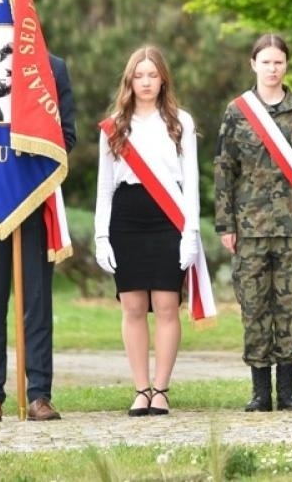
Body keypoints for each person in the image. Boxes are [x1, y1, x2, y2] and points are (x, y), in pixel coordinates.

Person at [0, 48, 76, 423]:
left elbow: (66, 135)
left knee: (36, 302)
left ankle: (39, 394)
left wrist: (30, 161)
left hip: (34, 201)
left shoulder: (52, 68)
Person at [215, 34, 292, 412]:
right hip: (249, 228)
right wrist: (225, 224)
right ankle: (260, 391)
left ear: (286, 66)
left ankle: (289, 390)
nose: (272, 69)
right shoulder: (237, 112)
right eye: (266, 62)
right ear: (253, 65)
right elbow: (224, 170)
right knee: (254, 308)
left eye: (279, 62)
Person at [94, 47, 202, 417]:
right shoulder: (114, 126)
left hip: (168, 218)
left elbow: (192, 182)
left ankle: (162, 390)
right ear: (129, 80)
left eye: (152, 75)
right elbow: (104, 186)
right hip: (127, 219)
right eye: (138, 76)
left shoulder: (180, 122)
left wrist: (191, 233)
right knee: (134, 307)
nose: (145, 82)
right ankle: (141, 389)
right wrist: (101, 236)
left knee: (168, 306)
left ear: (163, 80)